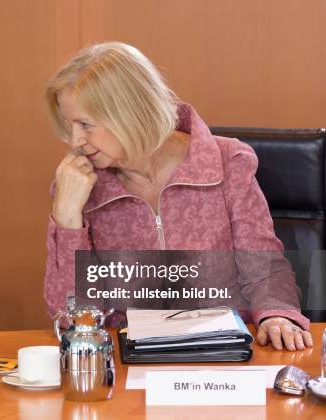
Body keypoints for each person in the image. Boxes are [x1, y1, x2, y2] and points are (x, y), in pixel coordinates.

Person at [44, 42, 312, 351]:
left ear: (130, 113)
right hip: (128, 366)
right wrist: (66, 220)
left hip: (223, 356)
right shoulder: (78, 188)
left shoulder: (228, 163)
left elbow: (264, 269)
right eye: (69, 125)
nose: (76, 140)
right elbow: (72, 320)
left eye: (85, 124)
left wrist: (277, 316)